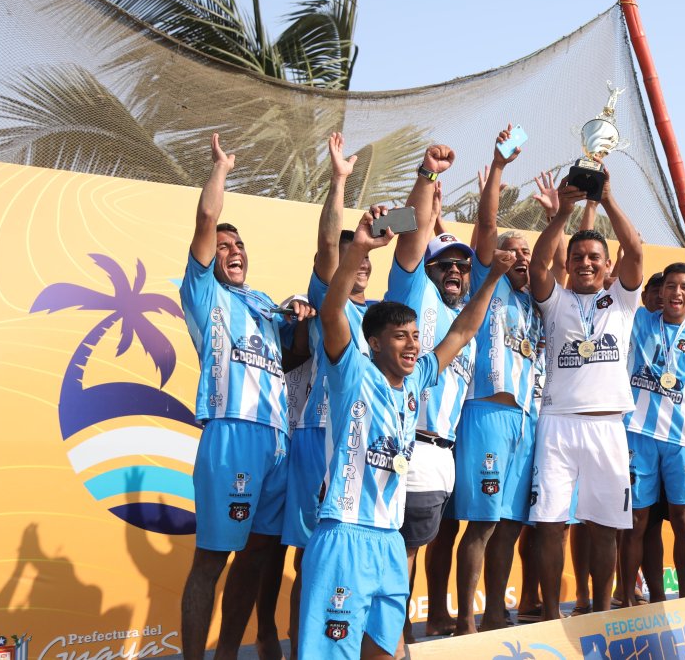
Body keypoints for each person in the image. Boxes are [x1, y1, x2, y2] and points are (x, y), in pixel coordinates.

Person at [299, 207, 514, 659]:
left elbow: (463, 329)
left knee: (390, 652)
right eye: (401, 336)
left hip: (390, 541)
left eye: (415, 335)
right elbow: (332, 309)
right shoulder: (351, 372)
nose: (414, 344)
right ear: (374, 342)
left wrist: (492, 277)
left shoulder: (418, 379)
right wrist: (359, 248)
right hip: (345, 532)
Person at [178, 134, 314, 660]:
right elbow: (206, 222)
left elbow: (293, 359)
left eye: (240, 247)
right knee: (212, 559)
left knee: (259, 558)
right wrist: (221, 170)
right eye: (225, 248)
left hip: (277, 442)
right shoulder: (203, 293)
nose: (233, 252)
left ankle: (229, 652)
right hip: (232, 433)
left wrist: (300, 326)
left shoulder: (260, 302)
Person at [528, 169, 644, 618]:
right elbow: (539, 266)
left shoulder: (623, 301)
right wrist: (561, 216)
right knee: (551, 524)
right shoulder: (554, 299)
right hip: (557, 423)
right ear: (570, 262)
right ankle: (551, 615)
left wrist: (610, 200)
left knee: (604, 527)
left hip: (608, 425)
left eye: (595, 257)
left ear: (607, 265)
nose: (587, 263)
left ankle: (598, 613)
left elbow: (634, 249)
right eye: (578, 257)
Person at [379, 145, 475, 644]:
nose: (454, 270)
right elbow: (414, 239)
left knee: (418, 547)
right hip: (410, 445)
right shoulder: (414, 296)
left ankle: (398, 637)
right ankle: (390, 641)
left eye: (462, 264)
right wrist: (425, 177)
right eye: (445, 264)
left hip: (445, 453)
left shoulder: (467, 319)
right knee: (401, 553)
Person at [449, 126, 542, 633]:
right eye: (512, 248)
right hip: (486, 411)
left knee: (509, 524)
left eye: (526, 250)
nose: (520, 254)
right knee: (481, 524)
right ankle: (465, 621)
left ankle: (494, 613)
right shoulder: (488, 287)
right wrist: (499, 167)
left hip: (525, 422)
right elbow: (486, 225)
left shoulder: (534, 303)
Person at [281, 134, 365, 658]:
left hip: (365, 448)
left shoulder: (381, 317)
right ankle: (301, 649)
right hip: (318, 440)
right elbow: (327, 247)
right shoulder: (327, 302)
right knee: (310, 558)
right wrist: (338, 181)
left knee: (349, 559)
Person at [619, 262, 685, 605]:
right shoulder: (638, 321)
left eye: (683, 287)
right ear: (660, 292)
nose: (676, 292)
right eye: (669, 286)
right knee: (636, 521)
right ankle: (628, 598)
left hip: (682, 440)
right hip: (637, 434)